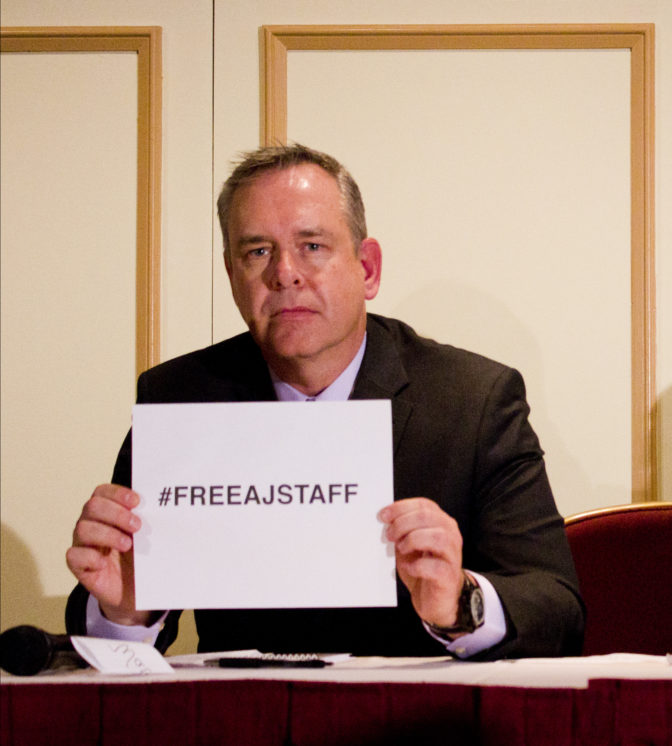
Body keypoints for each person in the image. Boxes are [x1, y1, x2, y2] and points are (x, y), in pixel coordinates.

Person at [64, 143, 584, 659]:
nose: (284, 273)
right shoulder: (179, 398)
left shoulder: (474, 400)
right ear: (232, 277)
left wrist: (459, 601)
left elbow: (557, 608)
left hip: (415, 720)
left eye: (312, 246)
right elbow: (115, 611)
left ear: (368, 269)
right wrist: (127, 611)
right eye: (257, 252)